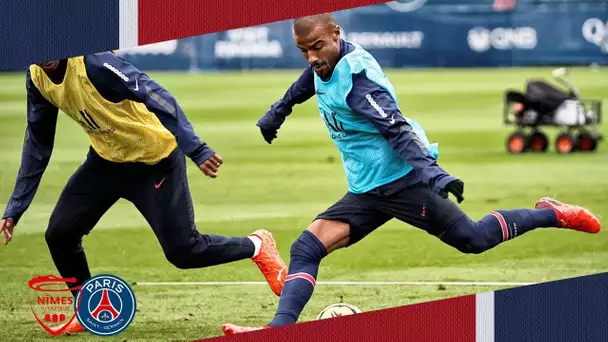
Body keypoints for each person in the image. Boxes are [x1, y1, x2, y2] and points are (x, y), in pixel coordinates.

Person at [221, 13, 601, 334]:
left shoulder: (361, 83)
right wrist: (280, 109)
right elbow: (313, 78)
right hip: (368, 187)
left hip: (406, 181)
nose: (311, 57)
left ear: (337, 34)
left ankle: (553, 213)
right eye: (303, 50)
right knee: (306, 248)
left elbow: (397, 130)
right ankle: (278, 331)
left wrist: (435, 176)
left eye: (316, 47)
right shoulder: (325, 62)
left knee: (474, 238)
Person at [0, 52, 287, 334]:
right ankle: (87, 310)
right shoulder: (37, 77)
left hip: (154, 162)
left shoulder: (96, 64)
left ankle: (257, 245)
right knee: (60, 234)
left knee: (184, 251)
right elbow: (37, 142)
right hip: (106, 163)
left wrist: (195, 147)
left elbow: (154, 93)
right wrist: (16, 206)